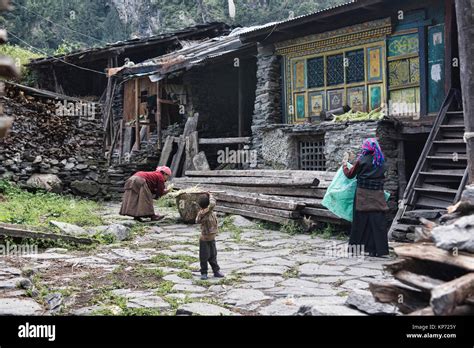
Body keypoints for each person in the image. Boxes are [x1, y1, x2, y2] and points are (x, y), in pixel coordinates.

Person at [342, 138, 389, 257]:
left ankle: (355, 250)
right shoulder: (381, 161)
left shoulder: (361, 160)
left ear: (366, 147)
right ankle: (378, 250)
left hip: (362, 195)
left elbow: (350, 175)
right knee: (377, 223)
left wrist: (344, 166)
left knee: (360, 222)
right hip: (378, 195)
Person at [195, 193, 224, 280]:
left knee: (213, 255)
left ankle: (216, 271)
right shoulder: (204, 212)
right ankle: (204, 272)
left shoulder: (209, 212)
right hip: (204, 240)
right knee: (204, 257)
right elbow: (212, 204)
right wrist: (210, 195)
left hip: (211, 238)